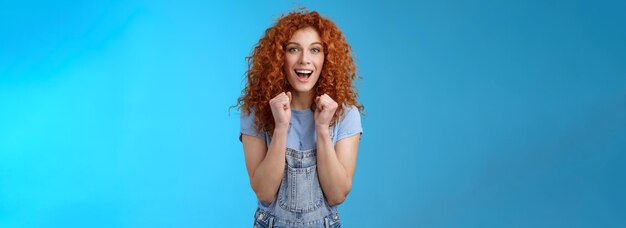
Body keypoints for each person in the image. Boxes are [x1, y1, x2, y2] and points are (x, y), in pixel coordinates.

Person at [234, 9, 363, 228]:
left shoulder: (346, 114)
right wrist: (281, 127)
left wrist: (322, 129)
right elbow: (264, 193)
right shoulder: (255, 112)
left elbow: (336, 195)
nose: (305, 60)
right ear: (279, 57)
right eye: (294, 49)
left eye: (315, 50)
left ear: (326, 58)